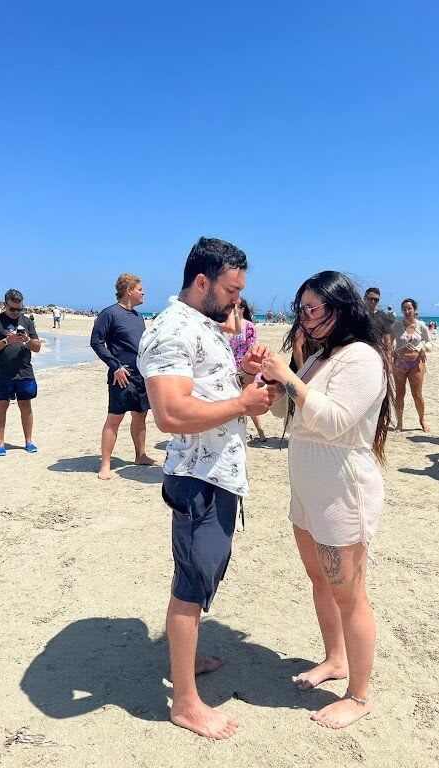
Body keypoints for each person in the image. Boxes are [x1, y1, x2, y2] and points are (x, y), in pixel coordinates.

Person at [138, 237, 272, 740]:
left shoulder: (200, 326)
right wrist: (243, 406)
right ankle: (186, 704)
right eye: (232, 292)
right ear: (202, 282)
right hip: (198, 478)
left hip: (216, 473)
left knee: (204, 574)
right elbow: (171, 412)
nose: (236, 302)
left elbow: (206, 388)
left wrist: (244, 377)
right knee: (190, 585)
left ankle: (185, 663)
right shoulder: (172, 328)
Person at [262, 270, 390, 730]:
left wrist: (288, 378)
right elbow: (288, 414)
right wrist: (277, 384)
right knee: (319, 580)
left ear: (341, 309)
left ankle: (359, 695)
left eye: (313, 309)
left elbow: (335, 420)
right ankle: (334, 659)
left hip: (340, 487)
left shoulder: (362, 357)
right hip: (307, 485)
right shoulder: (317, 356)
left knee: (350, 593)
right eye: (301, 309)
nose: (305, 317)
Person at [90, 273, 157, 480]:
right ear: (129, 290)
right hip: (121, 375)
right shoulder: (109, 313)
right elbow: (96, 342)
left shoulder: (137, 316)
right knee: (114, 419)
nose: (143, 292)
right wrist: (115, 366)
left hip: (140, 375)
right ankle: (106, 464)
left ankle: (140, 455)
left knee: (140, 416)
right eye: (140, 289)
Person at [0, 289, 41, 456]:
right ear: (5, 305)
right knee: (2, 405)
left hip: (25, 372)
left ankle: (28, 441)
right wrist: (6, 341)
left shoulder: (27, 321)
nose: (16, 313)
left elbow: (37, 347)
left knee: (26, 405)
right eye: (12, 309)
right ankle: (0, 444)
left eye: (19, 309)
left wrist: (28, 340)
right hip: (3, 372)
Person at [226, 297, 267, 441]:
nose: (233, 308)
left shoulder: (249, 326)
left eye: (236, 306)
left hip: (244, 368)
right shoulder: (228, 324)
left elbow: (252, 346)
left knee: (248, 399)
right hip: (230, 366)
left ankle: (260, 432)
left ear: (242, 308)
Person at [391, 299, 432, 432]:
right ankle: (400, 423)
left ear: (415, 310)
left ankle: (422, 420)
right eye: (404, 309)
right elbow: (392, 344)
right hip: (400, 363)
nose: (407, 311)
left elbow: (429, 342)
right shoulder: (396, 326)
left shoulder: (421, 325)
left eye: (409, 308)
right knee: (400, 394)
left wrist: (422, 347)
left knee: (417, 395)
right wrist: (406, 333)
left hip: (416, 363)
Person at [363, 287, 392, 352]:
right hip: (359, 354)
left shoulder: (382, 316)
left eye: (376, 300)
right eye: (370, 299)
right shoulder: (357, 315)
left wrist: (388, 357)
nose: (373, 302)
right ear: (364, 298)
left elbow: (387, 340)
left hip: (377, 353)